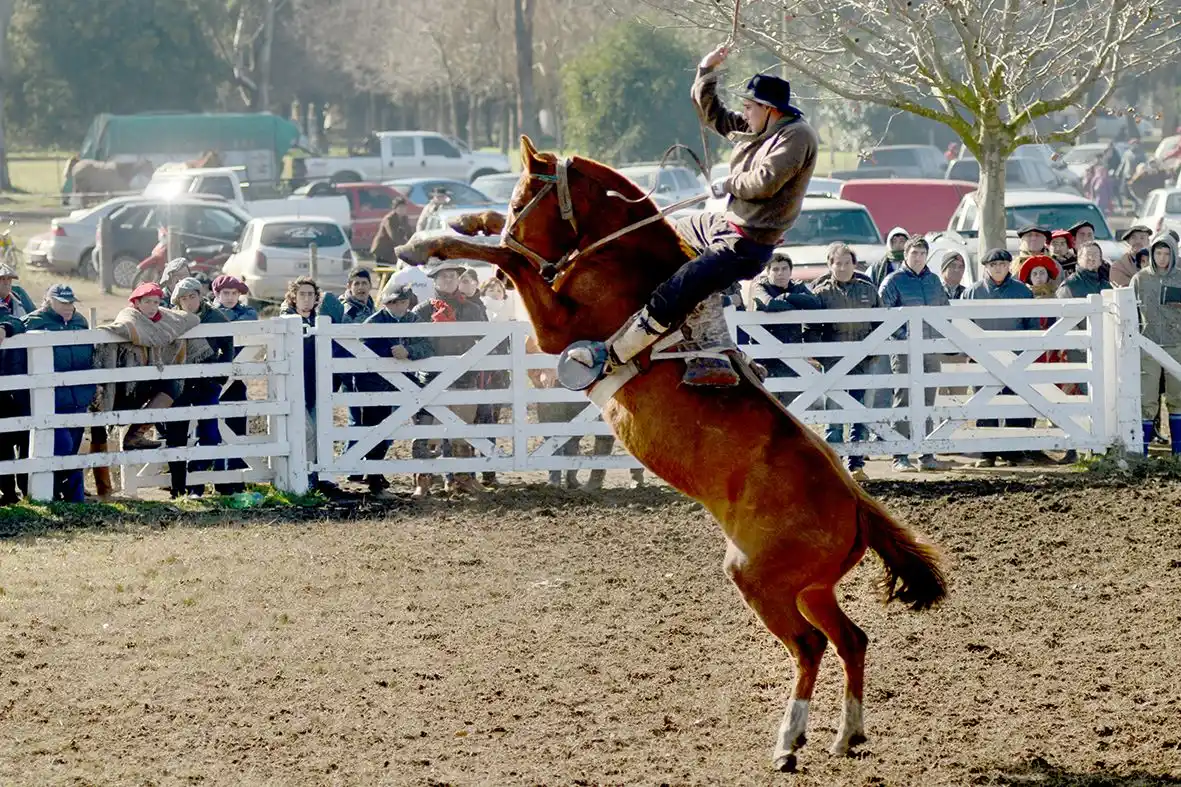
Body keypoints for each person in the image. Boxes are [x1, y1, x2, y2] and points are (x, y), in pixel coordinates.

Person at [567, 42, 818, 389]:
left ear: (769, 109)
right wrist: (706, 71)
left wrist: (728, 183)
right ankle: (710, 345)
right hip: (720, 226)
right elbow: (714, 115)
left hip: (746, 243)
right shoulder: (760, 129)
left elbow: (765, 182)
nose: (743, 114)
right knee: (665, 238)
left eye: (749, 107)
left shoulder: (797, 136)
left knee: (675, 292)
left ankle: (613, 356)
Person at [411, 260, 488, 497]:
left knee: (462, 430)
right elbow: (412, 341)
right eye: (443, 277)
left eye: (452, 276)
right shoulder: (422, 311)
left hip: (464, 377)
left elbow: (486, 339)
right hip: (431, 378)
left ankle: (461, 478)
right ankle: (423, 481)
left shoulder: (473, 310)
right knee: (428, 432)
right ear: (434, 280)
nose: (448, 280)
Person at [808, 242, 882, 481]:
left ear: (854, 264)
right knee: (835, 415)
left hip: (862, 360)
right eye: (837, 263)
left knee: (859, 411)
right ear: (829, 265)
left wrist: (873, 350)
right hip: (834, 362)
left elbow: (881, 322)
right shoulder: (820, 293)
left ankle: (856, 464)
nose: (842, 267)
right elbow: (810, 327)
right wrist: (820, 355)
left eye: (846, 263)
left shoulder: (868, 290)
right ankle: (834, 466)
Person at [964, 249, 1041, 468]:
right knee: (984, 405)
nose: (998, 268)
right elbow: (963, 323)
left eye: (1003, 264)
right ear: (986, 267)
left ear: (1009, 266)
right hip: (982, 356)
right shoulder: (973, 292)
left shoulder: (1023, 291)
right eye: (993, 264)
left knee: (1015, 403)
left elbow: (1031, 324)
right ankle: (987, 453)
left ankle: (1014, 452)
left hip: (1014, 357)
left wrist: (1027, 352)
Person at [878, 237, 949, 472]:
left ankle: (927, 454)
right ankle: (900, 454)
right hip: (903, 350)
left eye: (921, 253)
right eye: (914, 253)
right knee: (904, 398)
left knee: (929, 399)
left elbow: (944, 310)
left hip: (930, 347)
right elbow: (883, 315)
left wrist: (939, 338)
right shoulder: (893, 281)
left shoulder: (934, 280)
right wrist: (903, 340)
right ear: (905, 255)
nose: (917, 257)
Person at [355, 284, 432, 496]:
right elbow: (362, 347)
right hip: (373, 383)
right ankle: (374, 481)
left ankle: (377, 477)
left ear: (408, 303)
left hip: (404, 382)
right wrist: (390, 355)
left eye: (402, 302)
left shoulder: (413, 320)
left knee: (397, 426)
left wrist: (409, 351)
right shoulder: (374, 322)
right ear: (386, 303)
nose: (398, 306)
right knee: (375, 429)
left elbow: (428, 344)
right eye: (393, 302)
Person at [21, 285, 96, 503]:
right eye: (62, 302)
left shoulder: (80, 322)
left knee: (71, 447)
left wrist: (88, 389)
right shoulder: (34, 322)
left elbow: (89, 357)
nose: (67, 307)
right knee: (62, 446)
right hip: (49, 399)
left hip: (76, 398)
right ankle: (71, 495)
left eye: (70, 302)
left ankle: (68, 496)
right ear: (49, 301)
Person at [166, 277, 233, 498]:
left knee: (211, 434)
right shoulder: (172, 319)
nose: (188, 302)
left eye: (192, 297)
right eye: (183, 299)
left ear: (199, 295)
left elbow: (228, 345)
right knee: (176, 433)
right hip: (180, 383)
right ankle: (178, 488)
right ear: (178, 301)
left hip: (207, 382)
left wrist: (220, 377)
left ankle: (196, 478)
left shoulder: (215, 317)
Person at [279, 276, 340, 495]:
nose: (306, 298)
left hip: (318, 385)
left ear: (316, 298)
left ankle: (320, 476)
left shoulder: (322, 322)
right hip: (294, 386)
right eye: (302, 294)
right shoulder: (286, 320)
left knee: (321, 430)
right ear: (293, 297)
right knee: (307, 431)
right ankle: (307, 477)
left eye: (310, 294)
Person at [1055, 242, 1113, 464]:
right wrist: (1081, 341)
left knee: (1101, 396)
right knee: (1074, 398)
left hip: (1103, 350)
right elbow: (1063, 319)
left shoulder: (1107, 285)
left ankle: (1100, 444)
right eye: (1087, 255)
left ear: (1100, 260)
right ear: (1078, 259)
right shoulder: (1068, 286)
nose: (1091, 259)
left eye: (1095, 256)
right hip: (1076, 351)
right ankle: (1072, 448)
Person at [1130, 233, 1181, 456]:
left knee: (1177, 397)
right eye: (1158, 253)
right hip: (1147, 344)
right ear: (1151, 253)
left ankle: (1178, 451)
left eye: (1167, 253)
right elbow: (1129, 312)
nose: (1162, 258)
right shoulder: (1140, 279)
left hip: (1176, 343)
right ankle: (1141, 451)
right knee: (1146, 398)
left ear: (1174, 254)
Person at [748, 252, 822, 388]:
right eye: (775, 269)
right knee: (769, 400)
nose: (780, 273)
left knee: (794, 401)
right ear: (768, 272)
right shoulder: (760, 286)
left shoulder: (797, 287)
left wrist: (787, 296)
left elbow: (815, 303)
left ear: (790, 271)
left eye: (784, 269)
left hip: (792, 353)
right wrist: (795, 304)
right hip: (765, 356)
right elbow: (768, 304)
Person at [0, 264, 33, 503]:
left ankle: (27, 487)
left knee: (25, 436)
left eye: (8, 280)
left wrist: (8, 326)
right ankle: (8, 492)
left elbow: (31, 320)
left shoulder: (20, 297)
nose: (6, 284)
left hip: (24, 375)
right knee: (2, 439)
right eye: (2, 280)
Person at [370, 193, 416, 266]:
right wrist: (406, 246)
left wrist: (414, 243)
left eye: (404, 207)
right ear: (395, 208)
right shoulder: (389, 219)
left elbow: (409, 233)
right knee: (384, 274)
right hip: (382, 251)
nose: (402, 210)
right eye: (400, 207)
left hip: (393, 251)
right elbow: (394, 237)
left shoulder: (404, 218)